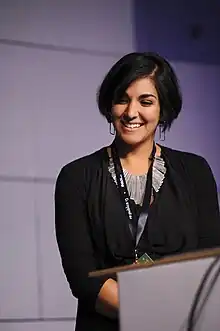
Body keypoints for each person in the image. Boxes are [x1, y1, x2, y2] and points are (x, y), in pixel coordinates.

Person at [55, 52, 220, 331]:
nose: (131, 112)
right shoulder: (76, 177)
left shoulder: (196, 172)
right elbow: (84, 279)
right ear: (110, 105)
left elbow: (210, 266)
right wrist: (158, 317)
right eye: (122, 99)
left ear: (163, 108)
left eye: (146, 101)